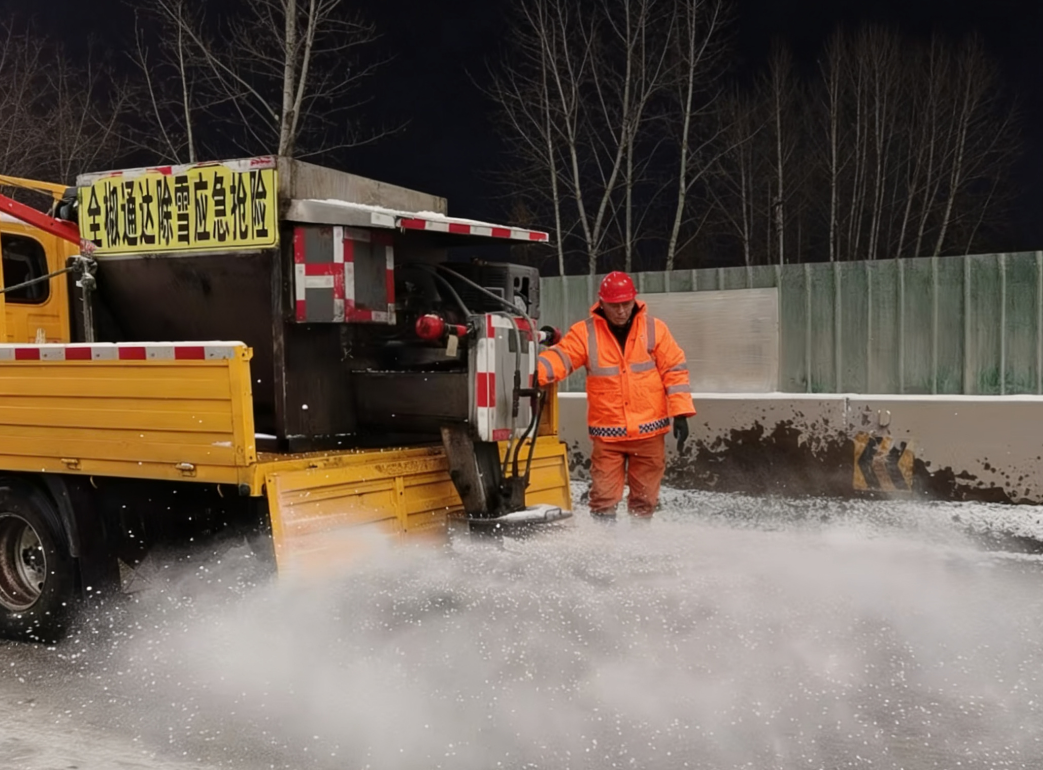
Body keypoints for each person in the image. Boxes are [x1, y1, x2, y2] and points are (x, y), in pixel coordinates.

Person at [537, 271, 696, 520]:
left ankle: (639, 542)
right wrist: (528, 371)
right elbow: (562, 357)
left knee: (644, 500)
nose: (621, 311)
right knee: (603, 499)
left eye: (626, 304)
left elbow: (675, 371)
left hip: (649, 433)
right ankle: (606, 546)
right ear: (602, 304)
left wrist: (682, 412)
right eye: (614, 305)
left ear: (635, 301)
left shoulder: (655, 329)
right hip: (608, 436)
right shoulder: (585, 333)